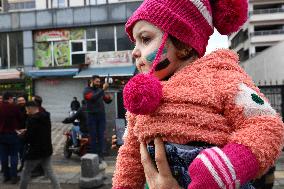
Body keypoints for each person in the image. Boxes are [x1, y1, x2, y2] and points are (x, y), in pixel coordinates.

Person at [112, 0, 284, 189]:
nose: (135, 51)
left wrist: (229, 166)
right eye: (135, 42)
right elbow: (130, 156)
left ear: (183, 43)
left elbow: (266, 124)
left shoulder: (220, 76)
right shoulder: (142, 98)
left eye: (145, 39)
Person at [18, 101, 61, 189]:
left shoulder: (32, 120)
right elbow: (39, 131)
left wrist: (22, 135)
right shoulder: (45, 116)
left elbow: (29, 138)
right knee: (50, 171)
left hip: (35, 151)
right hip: (47, 149)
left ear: (30, 108)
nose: (26, 111)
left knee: (26, 172)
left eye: (26, 109)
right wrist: (27, 131)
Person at [83, 75, 109, 160]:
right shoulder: (86, 90)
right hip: (92, 116)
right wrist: (103, 90)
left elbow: (107, 100)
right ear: (92, 81)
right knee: (93, 137)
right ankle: (94, 156)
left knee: (101, 136)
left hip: (101, 116)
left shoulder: (99, 90)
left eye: (99, 82)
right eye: (97, 82)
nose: (98, 83)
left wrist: (109, 97)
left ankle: (101, 156)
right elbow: (92, 98)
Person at [0, 92, 21, 184]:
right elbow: (20, 118)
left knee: (3, 156)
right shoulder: (14, 107)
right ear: (9, 98)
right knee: (13, 155)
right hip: (12, 133)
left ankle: (5, 176)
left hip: (1, 135)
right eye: (12, 98)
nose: (13, 100)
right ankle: (14, 177)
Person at [17, 95, 28, 172]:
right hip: (18, 132)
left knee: (27, 149)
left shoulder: (28, 108)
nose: (21, 102)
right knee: (21, 149)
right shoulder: (15, 109)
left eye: (22, 100)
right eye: (19, 101)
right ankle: (22, 164)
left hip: (28, 131)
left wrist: (26, 129)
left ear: (25, 101)